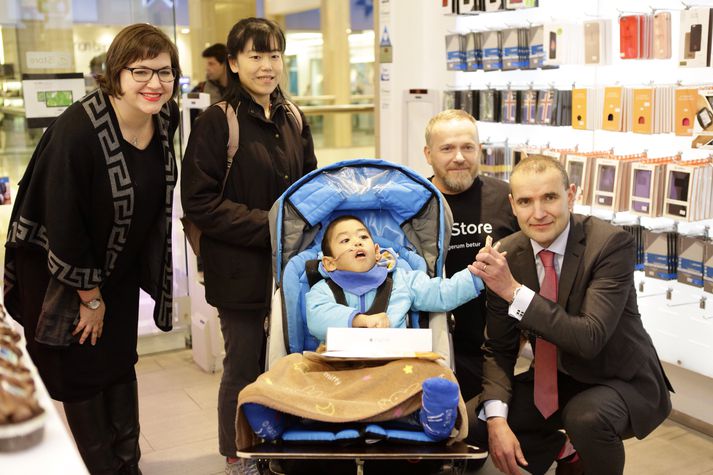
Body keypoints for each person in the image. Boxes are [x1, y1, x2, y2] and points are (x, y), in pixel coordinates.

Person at [3, 23, 180, 474]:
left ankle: (129, 465)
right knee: (82, 374)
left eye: (165, 72)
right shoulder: (77, 131)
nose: (155, 83)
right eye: (141, 71)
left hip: (114, 268)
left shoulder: (164, 119)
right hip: (59, 275)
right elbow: (64, 224)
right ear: (115, 74)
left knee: (119, 362)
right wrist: (90, 298)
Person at [469, 155, 672, 475]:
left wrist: (513, 291)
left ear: (571, 194)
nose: (538, 213)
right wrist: (496, 419)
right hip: (555, 379)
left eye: (549, 197)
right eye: (525, 201)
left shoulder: (610, 244)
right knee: (470, 420)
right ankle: (564, 453)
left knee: (585, 417)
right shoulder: (508, 253)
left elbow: (589, 337)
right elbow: (499, 348)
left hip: (619, 378)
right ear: (512, 205)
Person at [180, 17, 317, 475]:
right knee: (242, 364)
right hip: (238, 271)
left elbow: (311, 188)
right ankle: (236, 455)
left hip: (290, 270)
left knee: (285, 360)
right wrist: (272, 226)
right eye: (256, 56)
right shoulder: (218, 122)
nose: (267, 66)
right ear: (235, 63)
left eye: (274, 55)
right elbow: (199, 201)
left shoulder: (294, 118)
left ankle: (277, 450)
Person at [237, 214, 486, 447]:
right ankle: (273, 410)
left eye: (363, 237)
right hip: (335, 372)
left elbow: (441, 293)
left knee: (435, 371)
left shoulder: (403, 281)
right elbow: (317, 319)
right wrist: (358, 320)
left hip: (392, 368)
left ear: (377, 251)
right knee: (290, 366)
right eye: (345, 240)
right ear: (330, 262)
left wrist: (476, 275)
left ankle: (431, 417)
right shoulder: (321, 290)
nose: (357, 242)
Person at [423, 109, 519, 402]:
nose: (459, 157)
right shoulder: (416, 203)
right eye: (447, 148)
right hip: (432, 345)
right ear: (428, 154)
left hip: (495, 346)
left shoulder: (508, 199)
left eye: (468, 147)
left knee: (488, 426)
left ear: (480, 149)